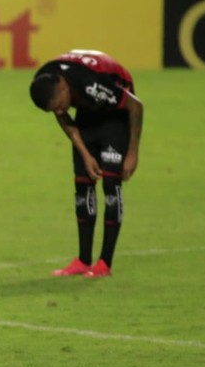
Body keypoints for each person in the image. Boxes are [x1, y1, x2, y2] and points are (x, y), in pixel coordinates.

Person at [29, 49, 143, 278]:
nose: (60, 111)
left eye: (60, 104)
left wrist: (132, 153)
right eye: (54, 110)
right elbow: (62, 115)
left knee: (111, 187)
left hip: (114, 116)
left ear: (64, 87)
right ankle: (83, 260)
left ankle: (104, 264)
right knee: (83, 187)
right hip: (87, 112)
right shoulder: (46, 80)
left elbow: (135, 107)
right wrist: (85, 154)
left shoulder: (94, 85)